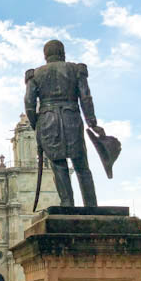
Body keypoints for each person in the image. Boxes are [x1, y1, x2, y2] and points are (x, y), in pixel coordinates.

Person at [25, 39, 116, 207]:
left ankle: (67, 203)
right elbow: (86, 97)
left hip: (47, 121)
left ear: (45, 56)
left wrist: (35, 124)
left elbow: (29, 104)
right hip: (72, 118)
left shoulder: (35, 75)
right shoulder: (76, 70)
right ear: (63, 53)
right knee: (81, 164)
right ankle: (91, 204)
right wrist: (92, 122)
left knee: (59, 165)